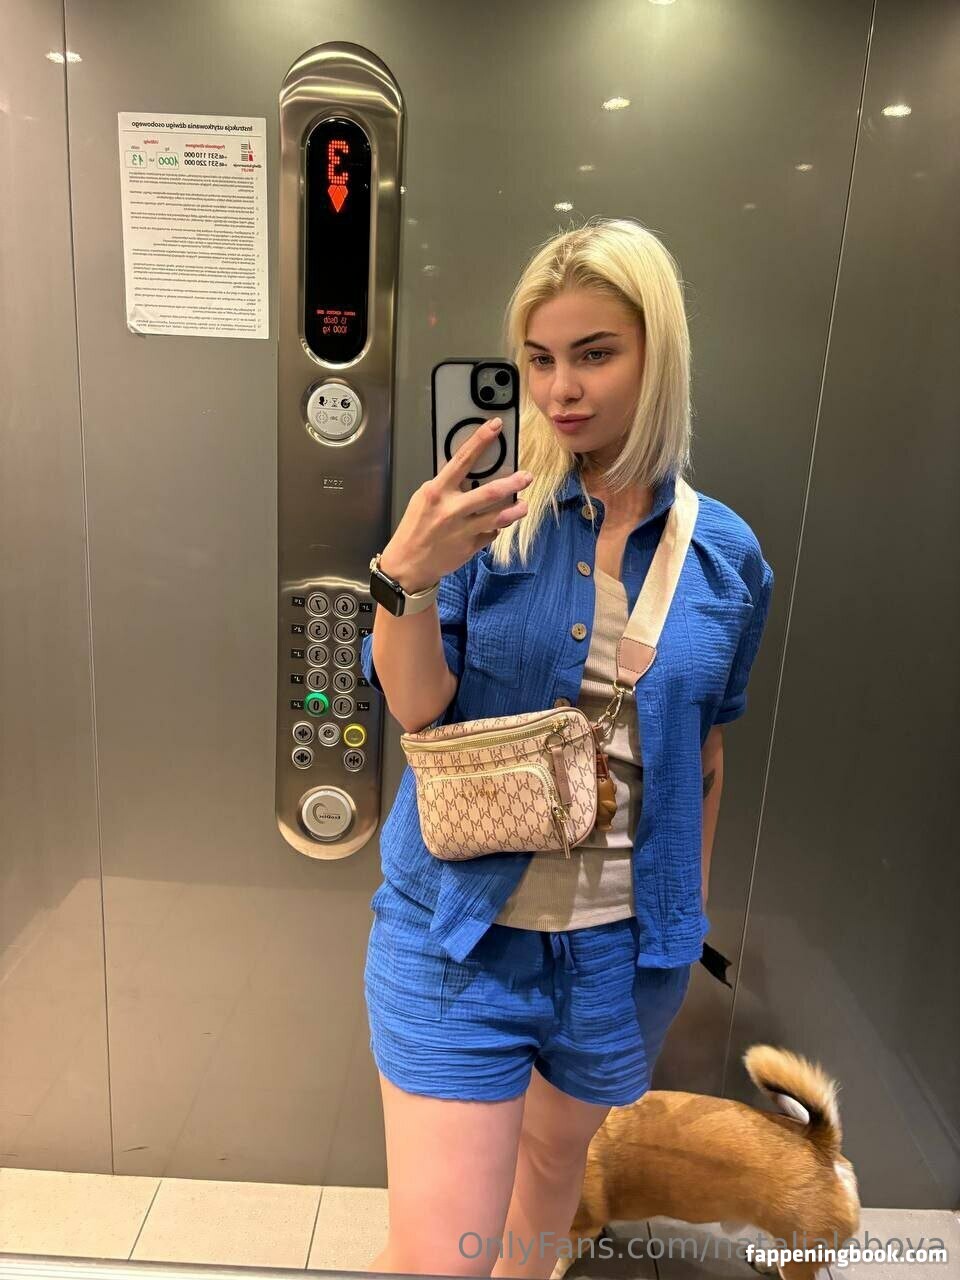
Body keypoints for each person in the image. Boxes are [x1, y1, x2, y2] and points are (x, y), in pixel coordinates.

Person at [359, 217, 775, 1279]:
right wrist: (405, 580)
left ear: (658, 354)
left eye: (595, 353)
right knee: (439, 1257)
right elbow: (416, 709)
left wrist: (682, 917)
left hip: (618, 958)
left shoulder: (727, 556)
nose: (560, 389)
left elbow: (704, 753)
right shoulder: (486, 520)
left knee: (549, 1190)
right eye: (539, 358)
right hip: (458, 936)